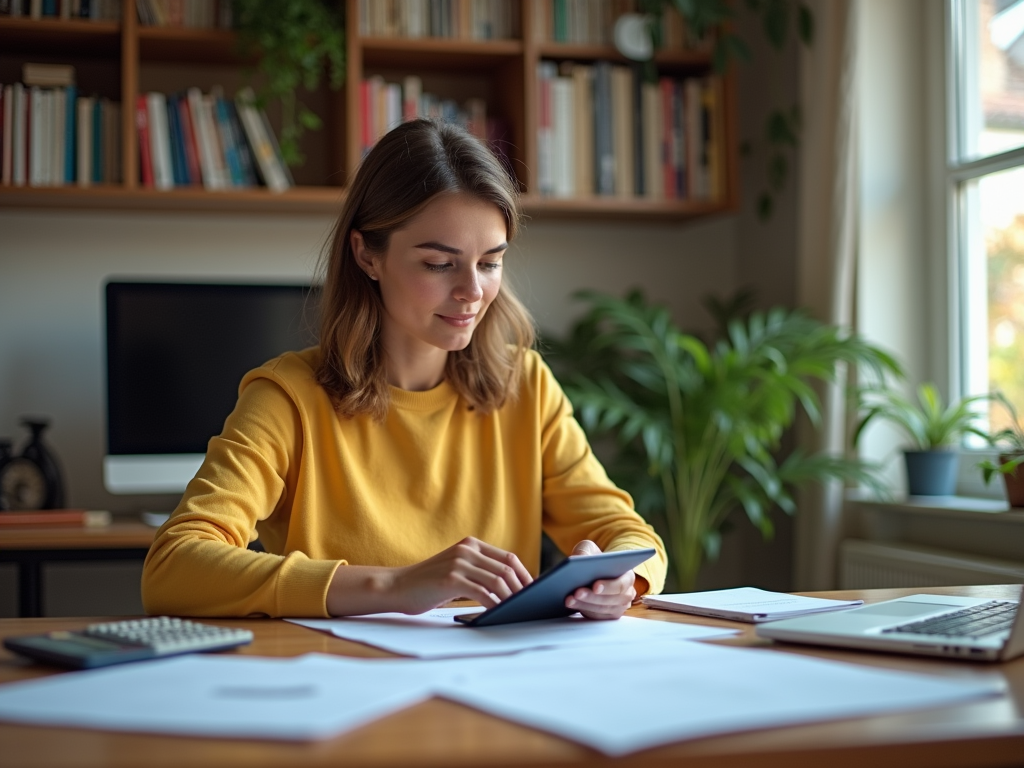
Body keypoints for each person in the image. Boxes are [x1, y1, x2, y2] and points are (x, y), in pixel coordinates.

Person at [141, 119, 666, 620]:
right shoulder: (288, 398)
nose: (472, 291)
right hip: (343, 687)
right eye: (439, 264)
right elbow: (173, 567)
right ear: (367, 255)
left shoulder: (526, 387)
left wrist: (620, 579)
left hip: (496, 685)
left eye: (490, 262)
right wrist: (396, 586)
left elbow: (630, 537)